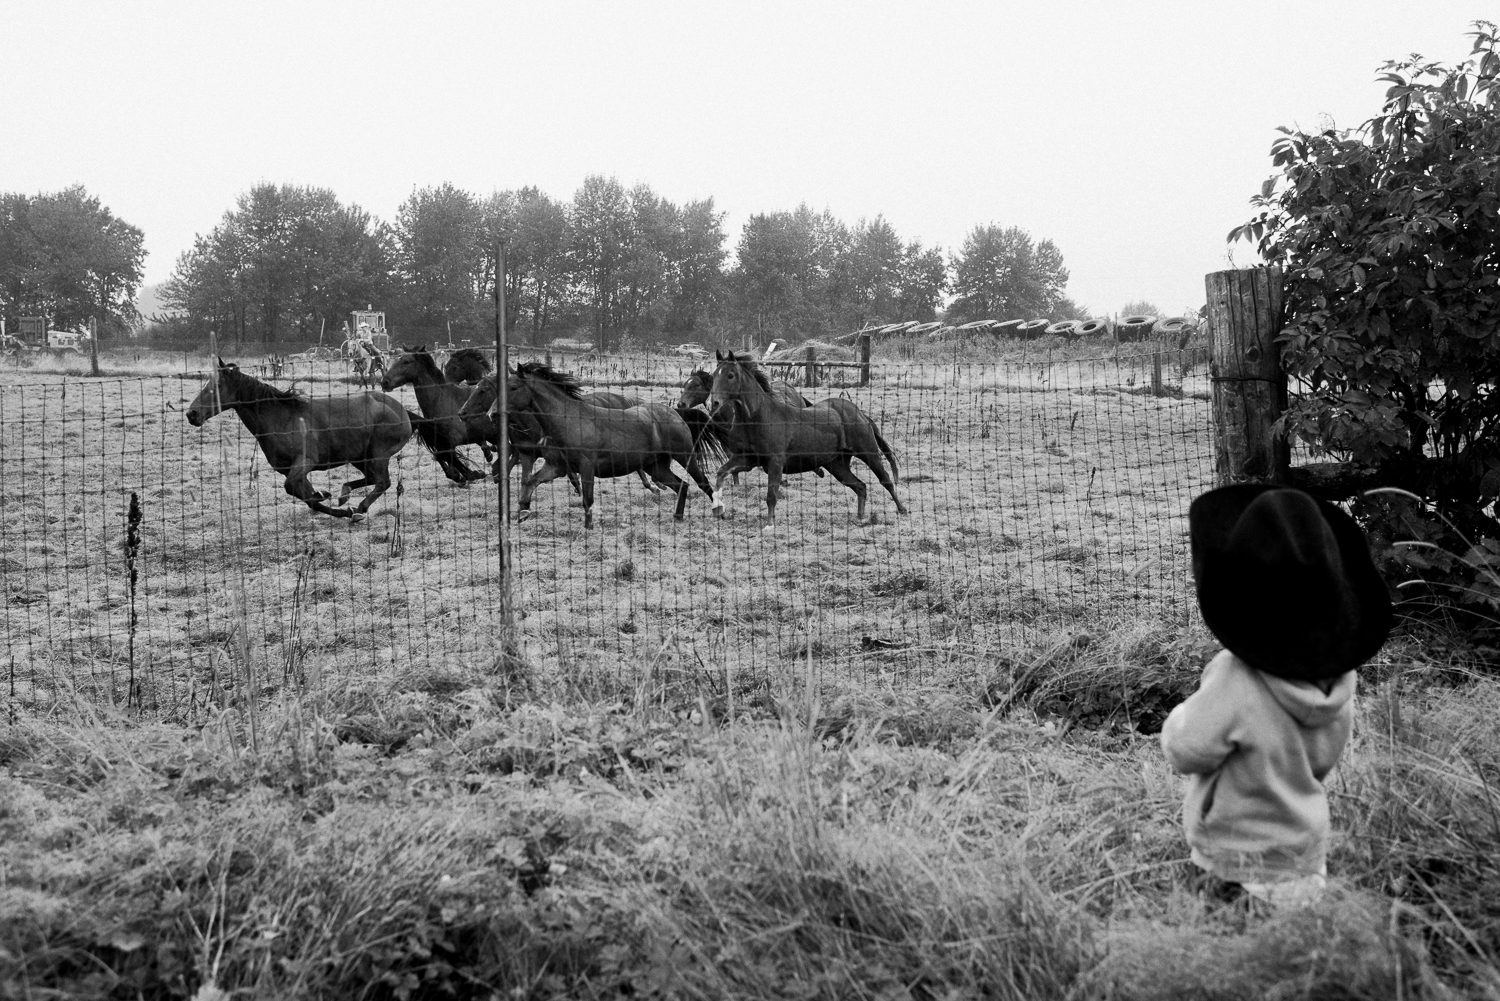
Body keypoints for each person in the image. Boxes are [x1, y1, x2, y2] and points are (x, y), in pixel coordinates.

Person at [1161, 485, 1393, 906]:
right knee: (1293, 961)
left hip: (1233, 859)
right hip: (1305, 856)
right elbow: (1323, 757)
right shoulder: (1340, 681)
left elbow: (1187, 749)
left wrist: (1178, 718)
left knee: (1229, 952)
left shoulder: (1236, 678)